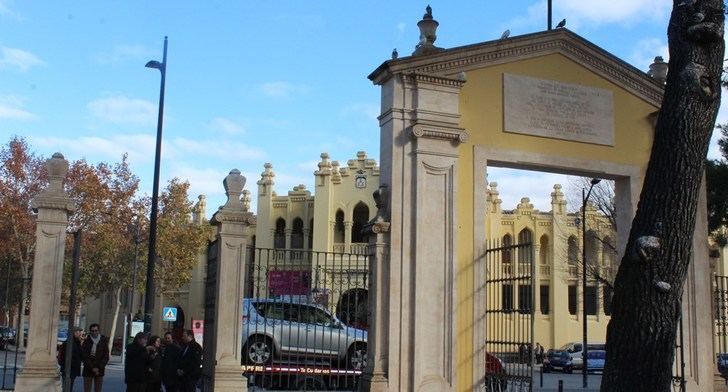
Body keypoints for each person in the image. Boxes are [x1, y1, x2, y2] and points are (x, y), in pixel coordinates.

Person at [81, 323, 110, 392]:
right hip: (88, 369)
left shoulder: (103, 341)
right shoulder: (86, 341)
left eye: (96, 330)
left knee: (98, 390)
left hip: (100, 370)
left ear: (98, 331)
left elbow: (106, 356)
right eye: (92, 331)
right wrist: (92, 368)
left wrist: (99, 367)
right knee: (87, 389)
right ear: (90, 331)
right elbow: (84, 356)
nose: (94, 332)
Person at [59, 327, 83, 392]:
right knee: (67, 387)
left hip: (72, 368)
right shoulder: (69, 342)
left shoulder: (77, 342)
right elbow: (64, 357)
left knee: (69, 386)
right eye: (78, 332)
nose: (80, 334)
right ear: (74, 333)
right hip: (69, 368)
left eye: (80, 332)